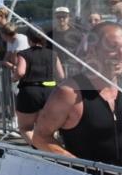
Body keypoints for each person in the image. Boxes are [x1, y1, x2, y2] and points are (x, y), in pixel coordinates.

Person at [32, 22, 122, 166]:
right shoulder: (69, 93)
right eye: (112, 47)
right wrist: (81, 166)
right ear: (93, 50)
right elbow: (40, 137)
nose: (120, 54)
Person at [13, 28, 64, 146]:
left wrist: (14, 78)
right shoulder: (53, 54)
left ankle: (39, 148)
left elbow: (20, 72)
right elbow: (61, 76)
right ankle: (52, 150)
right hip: (50, 93)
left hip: (30, 92)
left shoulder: (24, 54)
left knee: (25, 128)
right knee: (48, 129)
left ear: (29, 39)